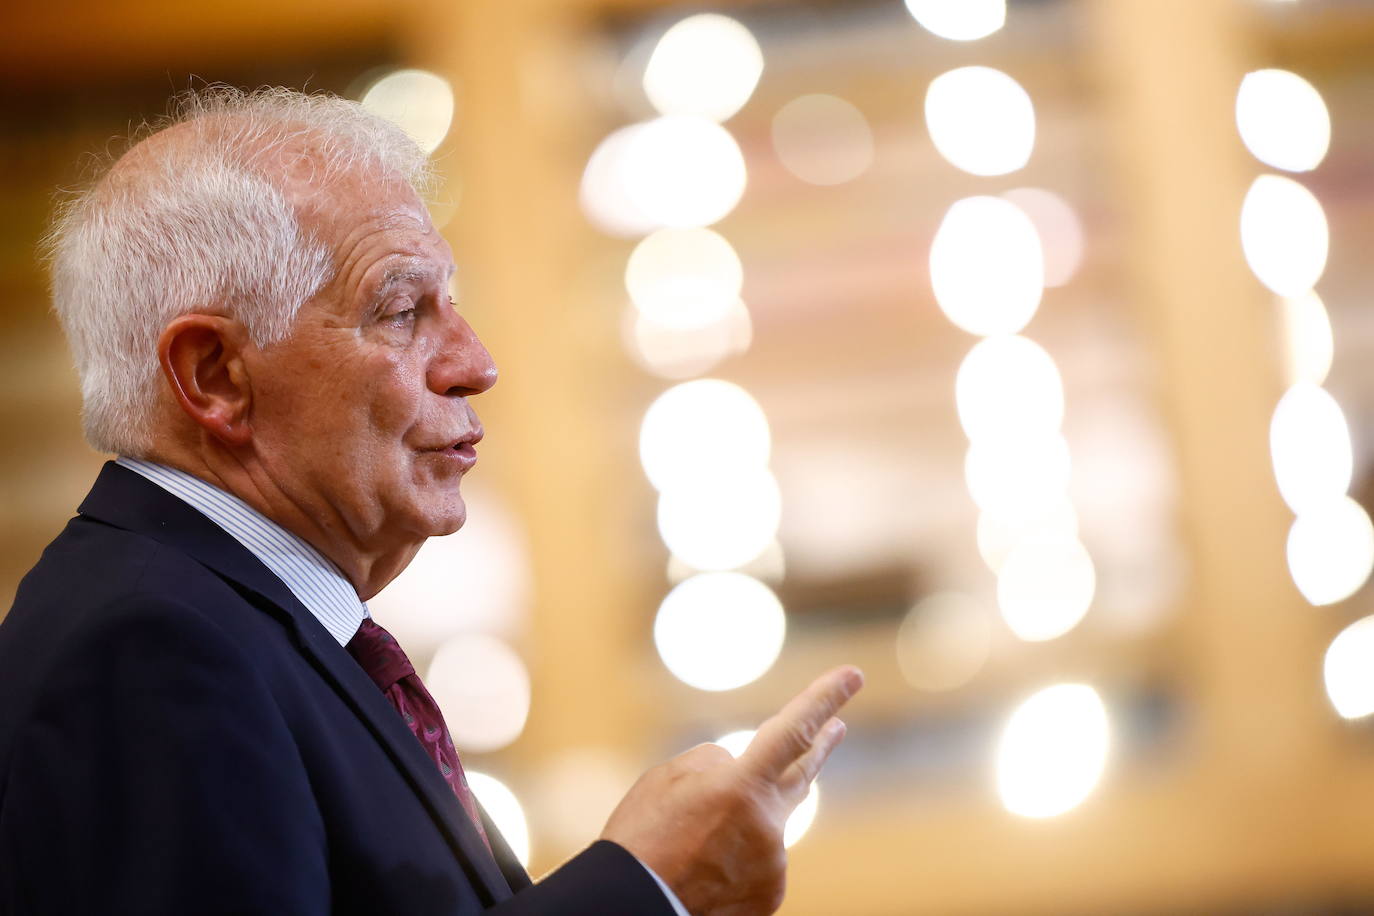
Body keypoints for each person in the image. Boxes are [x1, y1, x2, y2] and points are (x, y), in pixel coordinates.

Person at [0, 87, 862, 915]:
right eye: (401, 310)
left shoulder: (244, 628)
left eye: (451, 302)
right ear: (215, 375)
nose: (475, 363)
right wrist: (647, 888)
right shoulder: (149, 648)